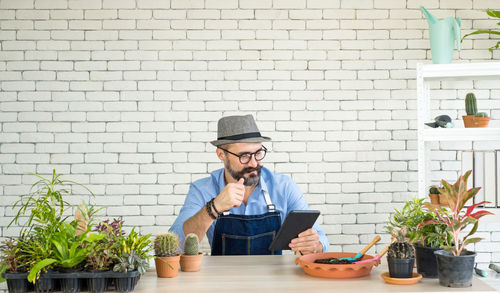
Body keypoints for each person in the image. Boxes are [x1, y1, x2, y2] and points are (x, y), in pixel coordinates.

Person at [169, 114, 329, 255]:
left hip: (274, 282)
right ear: (221, 154)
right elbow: (174, 246)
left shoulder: (284, 187)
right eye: (244, 155)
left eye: (258, 153)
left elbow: (320, 238)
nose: (253, 163)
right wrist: (214, 208)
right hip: (222, 281)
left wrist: (315, 245)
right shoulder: (202, 189)